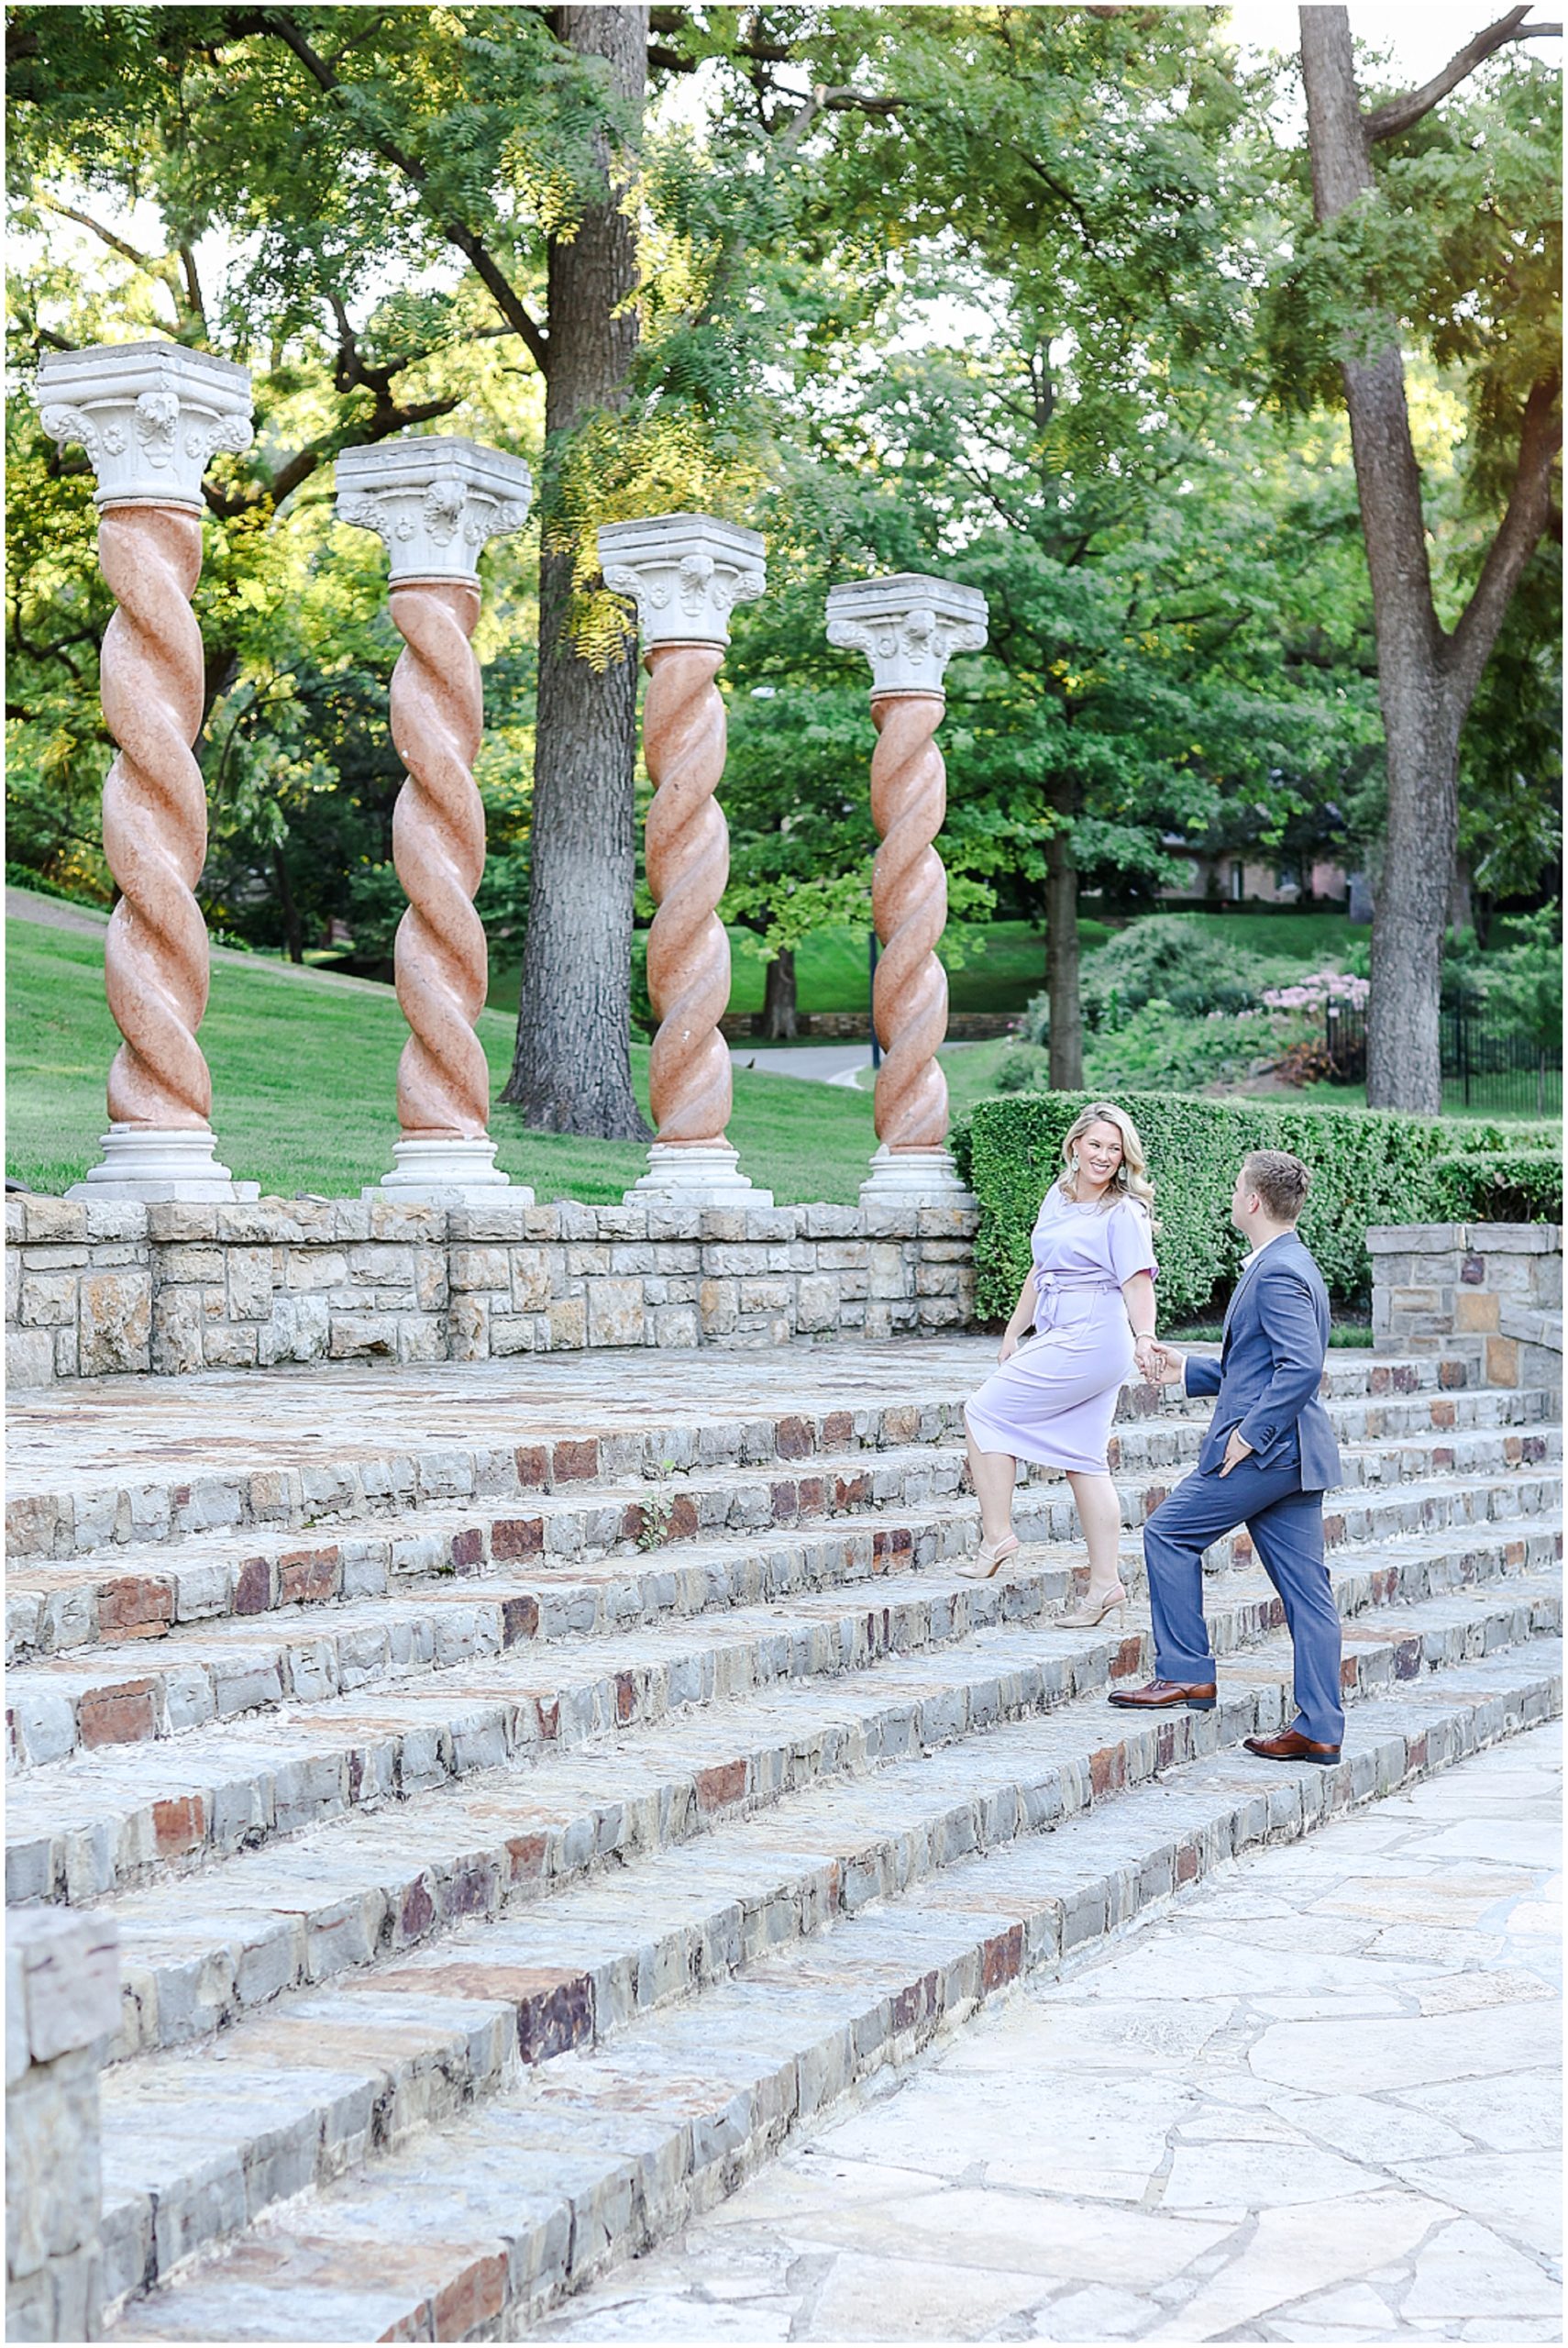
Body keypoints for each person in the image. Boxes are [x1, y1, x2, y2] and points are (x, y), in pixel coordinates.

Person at [1110, 1147, 1345, 1763]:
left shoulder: (1276, 1272)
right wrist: (1186, 1368)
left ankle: (1186, 1670)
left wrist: (1248, 1436)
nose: (1233, 1194)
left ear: (1252, 1202)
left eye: (1237, 1186)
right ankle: (1319, 1727)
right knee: (1307, 1596)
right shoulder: (1288, 1261)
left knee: (1167, 1533)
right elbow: (1260, 1365)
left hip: (1267, 1454)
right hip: (1294, 1456)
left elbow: (1301, 1367)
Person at [960, 1102, 1160, 1619]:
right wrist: (1013, 1332)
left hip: (1093, 1333)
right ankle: (1105, 1586)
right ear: (1075, 1146)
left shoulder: (1124, 1211)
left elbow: (1137, 1280)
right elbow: (1039, 1268)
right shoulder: (1060, 1194)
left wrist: (1146, 1337)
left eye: (1115, 1149)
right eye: (1095, 1144)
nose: (1104, 1156)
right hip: (1062, 1326)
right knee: (1084, 1460)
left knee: (983, 1411)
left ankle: (997, 1536)